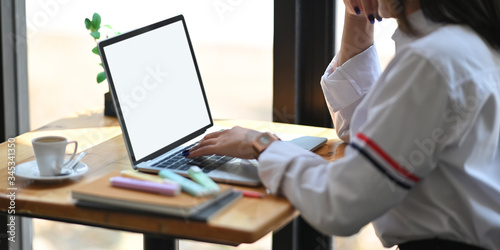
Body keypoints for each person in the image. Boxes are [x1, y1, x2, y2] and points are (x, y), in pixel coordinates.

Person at [188, 0, 500, 249]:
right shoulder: (465, 41)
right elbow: (372, 134)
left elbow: (340, 204)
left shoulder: (434, 60)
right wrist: (359, 18)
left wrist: (261, 145)